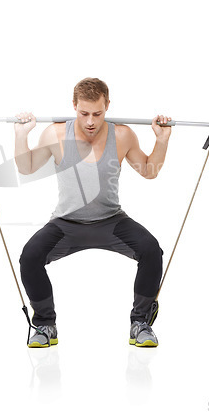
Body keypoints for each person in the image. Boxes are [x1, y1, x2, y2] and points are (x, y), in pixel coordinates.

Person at [14, 78, 172, 347]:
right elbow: (27, 167)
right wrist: (21, 135)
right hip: (66, 223)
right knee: (30, 257)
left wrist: (162, 140)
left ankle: (140, 323)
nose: (90, 121)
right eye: (83, 113)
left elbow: (149, 171)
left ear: (107, 106)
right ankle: (44, 325)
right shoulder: (56, 134)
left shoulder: (122, 135)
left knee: (150, 250)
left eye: (97, 114)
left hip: (111, 220)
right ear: (74, 106)